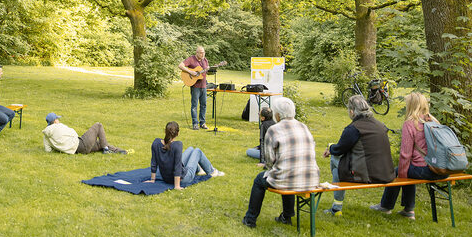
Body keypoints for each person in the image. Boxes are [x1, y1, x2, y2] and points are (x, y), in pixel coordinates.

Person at [242, 97, 319, 228]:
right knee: (287, 171)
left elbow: (269, 161)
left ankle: (250, 219)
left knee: (260, 180)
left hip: (288, 178)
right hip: (311, 178)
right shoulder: (304, 127)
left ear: (277, 115)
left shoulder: (274, 130)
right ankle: (287, 216)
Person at [370, 91, 443, 220]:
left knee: (400, 172)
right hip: (442, 169)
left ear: (411, 106)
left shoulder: (410, 124)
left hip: (426, 169)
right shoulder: (433, 121)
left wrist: (401, 176)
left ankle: (387, 206)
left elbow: (405, 154)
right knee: (407, 170)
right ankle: (407, 209)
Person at [322, 95, 395, 216]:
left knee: (335, 162)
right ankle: (336, 208)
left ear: (352, 111)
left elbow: (339, 149)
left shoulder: (353, 129)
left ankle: (336, 208)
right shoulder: (380, 125)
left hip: (367, 176)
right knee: (337, 165)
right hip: (386, 173)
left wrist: (330, 148)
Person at [148, 121, 224, 189]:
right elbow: (177, 166)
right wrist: (177, 186)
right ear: (178, 133)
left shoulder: (156, 142)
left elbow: (154, 162)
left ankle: (199, 169)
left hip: (166, 178)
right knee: (197, 151)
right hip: (183, 179)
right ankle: (212, 172)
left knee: (191, 149)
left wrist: (152, 179)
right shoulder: (177, 145)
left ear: (165, 131)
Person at [42, 113, 128, 154]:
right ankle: (106, 149)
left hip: (77, 151)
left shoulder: (46, 135)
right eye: (57, 118)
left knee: (99, 143)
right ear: (55, 120)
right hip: (80, 144)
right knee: (98, 125)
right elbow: (74, 133)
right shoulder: (59, 125)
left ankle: (119, 151)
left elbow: (48, 150)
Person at [179, 46, 209, 130]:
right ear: (197, 53)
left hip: (203, 86)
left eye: (203, 52)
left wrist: (210, 71)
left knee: (204, 105)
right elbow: (180, 65)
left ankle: (202, 123)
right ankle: (195, 123)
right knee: (194, 106)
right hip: (195, 86)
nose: (203, 54)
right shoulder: (191, 59)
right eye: (201, 52)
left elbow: (205, 72)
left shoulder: (205, 60)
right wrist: (190, 71)